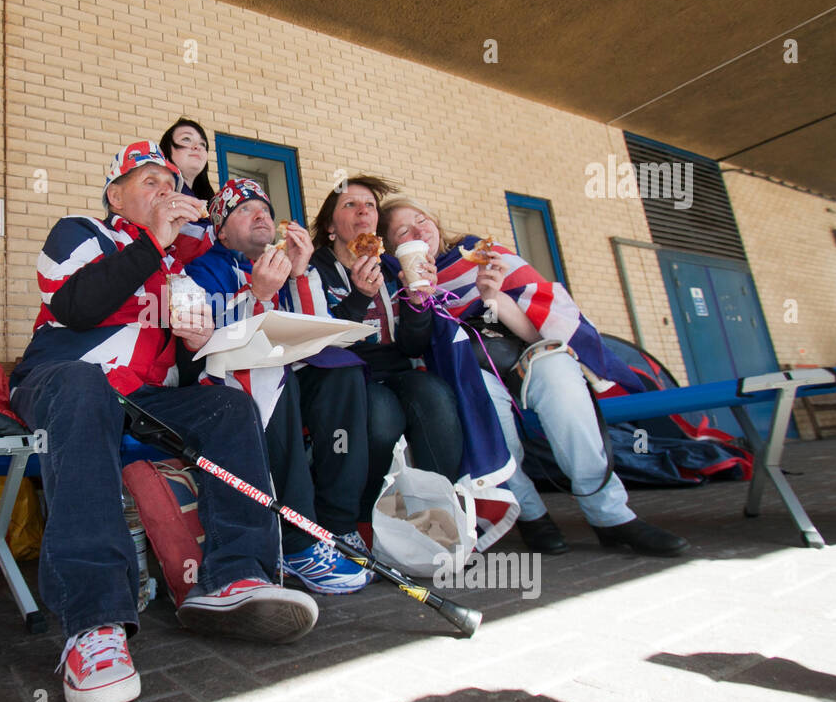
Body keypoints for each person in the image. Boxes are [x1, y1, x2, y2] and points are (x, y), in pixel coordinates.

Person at [10, 141, 318, 702]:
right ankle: (94, 622)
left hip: (143, 399)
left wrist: (207, 339)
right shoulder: (81, 232)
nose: (165, 193)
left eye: (171, 184)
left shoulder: (176, 268)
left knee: (227, 408)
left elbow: (201, 353)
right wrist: (153, 242)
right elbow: (76, 305)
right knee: (83, 386)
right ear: (115, 194)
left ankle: (235, 577)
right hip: (61, 380)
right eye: (149, 181)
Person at [382, 198, 690, 557]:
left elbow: (537, 332)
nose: (420, 231)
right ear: (394, 248)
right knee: (482, 404)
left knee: (561, 379)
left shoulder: (482, 254)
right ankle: (530, 513)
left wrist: (493, 297)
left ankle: (611, 515)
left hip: (522, 348)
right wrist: (419, 299)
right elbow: (412, 348)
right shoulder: (395, 282)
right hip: (468, 369)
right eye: (404, 231)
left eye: (422, 220)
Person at [184, 178, 374, 595]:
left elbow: (317, 335)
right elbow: (210, 343)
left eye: (266, 210)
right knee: (271, 368)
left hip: (287, 377)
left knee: (341, 374)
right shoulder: (203, 270)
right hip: (229, 384)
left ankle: (337, 524)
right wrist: (258, 295)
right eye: (244, 211)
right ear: (220, 230)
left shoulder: (285, 261)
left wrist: (301, 274)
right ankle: (298, 542)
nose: (261, 217)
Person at [308, 177, 466, 521]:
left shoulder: (394, 267)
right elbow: (321, 339)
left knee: (436, 397)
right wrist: (359, 297)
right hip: (347, 376)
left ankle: (440, 517)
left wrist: (418, 301)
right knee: (382, 417)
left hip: (397, 370)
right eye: (350, 204)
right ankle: (366, 517)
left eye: (370, 205)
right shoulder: (314, 268)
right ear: (331, 227)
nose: (363, 211)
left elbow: (412, 344)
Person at [159, 118, 216, 263]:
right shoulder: (158, 197)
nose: (197, 147)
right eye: (186, 139)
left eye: (203, 144)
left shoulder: (212, 205)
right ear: (166, 151)